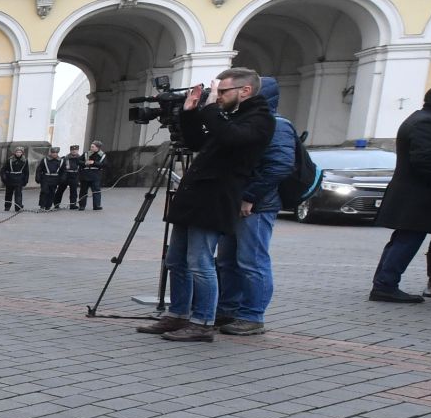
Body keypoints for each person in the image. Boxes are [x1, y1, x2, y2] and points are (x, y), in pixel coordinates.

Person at [137, 67, 274, 342]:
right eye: (217, 92)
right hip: (194, 197)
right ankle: (177, 315)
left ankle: (202, 322)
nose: (218, 97)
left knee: (199, 262)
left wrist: (210, 109)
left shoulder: (260, 120)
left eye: (223, 91)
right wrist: (189, 113)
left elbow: (230, 138)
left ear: (245, 91)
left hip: (215, 198)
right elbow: (197, 142)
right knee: (175, 260)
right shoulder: (230, 116)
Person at [214, 77, 293, 335]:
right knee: (227, 261)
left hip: (256, 205)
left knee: (252, 261)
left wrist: (251, 196)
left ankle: (252, 315)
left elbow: (280, 165)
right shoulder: (246, 122)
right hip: (235, 201)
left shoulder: (277, 126)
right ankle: (227, 310)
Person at [367, 82, 431, 303]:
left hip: (415, 196)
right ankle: (385, 286)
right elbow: (424, 159)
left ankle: (384, 284)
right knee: (407, 239)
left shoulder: (424, 119)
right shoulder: (428, 122)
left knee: (403, 239)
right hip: (418, 196)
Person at [82, 142, 109, 210]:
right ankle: (82, 206)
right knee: (83, 191)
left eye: (92, 147)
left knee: (96, 190)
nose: (91, 148)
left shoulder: (102, 155)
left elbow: (105, 164)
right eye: (91, 146)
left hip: (96, 175)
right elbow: (78, 161)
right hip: (86, 174)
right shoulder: (86, 154)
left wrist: (94, 163)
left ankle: (96, 205)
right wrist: (85, 163)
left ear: (97, 148)